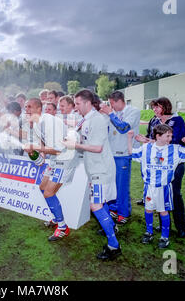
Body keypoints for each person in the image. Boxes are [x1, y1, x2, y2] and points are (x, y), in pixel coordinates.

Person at [63, 90, 121, 260]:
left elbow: (97, 148)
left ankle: (113, 245)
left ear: (88, 103)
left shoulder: (97, 120)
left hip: (101, 170)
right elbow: (87, 142)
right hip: (95, 169)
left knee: (95, 206)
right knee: (99, 204)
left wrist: (75, 145)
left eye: (78, 103)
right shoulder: (87, 119)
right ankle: (112, 230)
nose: (76, 107)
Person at [128, 124, 185, 248]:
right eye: (167, 136)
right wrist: (129, 138)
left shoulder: (175, 149)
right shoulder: (146, 148)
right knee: (148, 209)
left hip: (164, 187)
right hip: (149, 186)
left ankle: (165, 237)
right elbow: (130, 152)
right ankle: (149, 232)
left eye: (171, 136)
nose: (170, 138)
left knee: (163, 211)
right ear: (158, 136)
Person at [22, 98, 79, 242]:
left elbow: (58, 150)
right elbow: (43, 143)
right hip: (55, 158)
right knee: (42, 187)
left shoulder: (49, 122)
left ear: (38, 108)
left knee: (48, 192)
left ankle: (62, 227)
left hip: (65, 158)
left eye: (29, 107)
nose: (26, 110)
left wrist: (35, 148)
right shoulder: (36, 122)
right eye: (25, 107)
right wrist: (39, 155)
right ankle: (56, 218)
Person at [135, 97, 185, 238]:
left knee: (175, 194)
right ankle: (165, 225)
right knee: (159, 195)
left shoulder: (177, 120)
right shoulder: (153, 121)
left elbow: (174, 141)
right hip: (158, 165)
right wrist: (145, 140)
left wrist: (147, 140)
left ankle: (181, 227)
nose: (154, 110)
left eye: (157, 107)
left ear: (165, 107)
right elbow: (150, 138)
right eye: (153, 107)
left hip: (174, 164)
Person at [99, 91, 141, 225]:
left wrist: (110, 113)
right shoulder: (111, 113)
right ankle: (114, 208)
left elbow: (123, 128)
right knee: (111, 184)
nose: (111, 106)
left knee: (122, 185)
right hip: (110, 154)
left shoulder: (133, 111)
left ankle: (123, 213)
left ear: (118, 101)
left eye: (112, 104)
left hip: (123, 154)